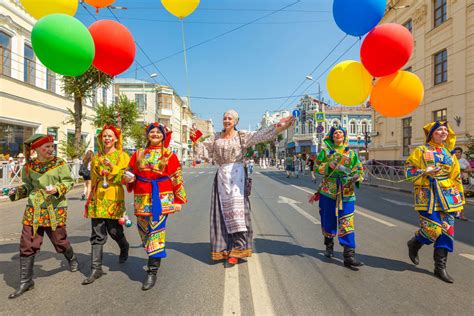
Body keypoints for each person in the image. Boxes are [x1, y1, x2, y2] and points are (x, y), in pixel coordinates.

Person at [190, 109, 294, 265]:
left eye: (230, 118)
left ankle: (238, 249)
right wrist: (195, 140)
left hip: (237, 176)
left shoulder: (242, 136)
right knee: (222, 212)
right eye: (224, 118)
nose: (226, 120)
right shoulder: (216, 137)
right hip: (221, 177)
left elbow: (262, 134)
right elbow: (204, 151)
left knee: (238, 214)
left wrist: (282, 126)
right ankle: (224, 248)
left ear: (236, 121)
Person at [8, 134, 78, 299]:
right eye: (46, 147)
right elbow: (27, 186)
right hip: (35, 207)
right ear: (37, 149)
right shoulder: (29, 166)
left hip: (55, 208)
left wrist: (57, 188)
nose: (50, 149)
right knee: (27, 242)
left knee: (59, 240)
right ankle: (26, 282)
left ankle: (72, 257)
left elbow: (69, 182)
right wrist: (15, 191)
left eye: (51, 146)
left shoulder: (59, 163)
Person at [124, 122, 187, 290]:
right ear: (148, 135)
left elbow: (176, 178)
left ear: (163, 136)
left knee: (156, 233)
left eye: (158, 133)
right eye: (152, 132)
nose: (155, 135)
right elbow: (129, 172)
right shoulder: (138, 154)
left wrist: (179, 201)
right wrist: (128, 178)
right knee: (144, 231)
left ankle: (152, 271)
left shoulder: (169, 155)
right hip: (141, 199)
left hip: (162, 199)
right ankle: (153, 253)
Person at [405, 121, 465, 283]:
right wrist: (424, 171)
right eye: (439, 129)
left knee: (447, 231)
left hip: (448, 196)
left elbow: (456, 177)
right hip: (427, 195)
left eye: (445, 130)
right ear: (431, 133)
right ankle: (415, 243)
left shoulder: (449, 153)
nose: (443, 132)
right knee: (432, 229)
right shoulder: (421, 150)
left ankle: (440, 268)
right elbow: (408, 172)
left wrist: (460, 201)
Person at [82, 125, 131, 285]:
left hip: (114, 197)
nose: (107, 138)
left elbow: (125, 178)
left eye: (110, 136)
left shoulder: (123, 156)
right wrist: (89, 195)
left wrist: (112, 168)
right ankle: (96, 269)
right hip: (98, 199)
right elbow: (93, 179)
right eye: (104, 136)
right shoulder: (96, 157)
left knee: (114, 230)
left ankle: (124, 247)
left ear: (116, 138)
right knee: (97, 234)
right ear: (101, 139)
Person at [310, 126, 364, 268]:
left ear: (344, 136)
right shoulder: (326, 152)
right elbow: (316, 167)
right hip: (329, 188)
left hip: (346, 189)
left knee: (347, 220)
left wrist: (357, 177)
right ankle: (329, 244)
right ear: (331, 136)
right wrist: (329, 165)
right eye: (335, 133)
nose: (338, 134)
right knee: (328, 217)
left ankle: (349, 255)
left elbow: (359, 169)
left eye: (340, 132)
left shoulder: (352, 154)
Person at [454, 147, 471, 221]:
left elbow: (470, 169)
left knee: (461, 198)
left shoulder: (463, 160)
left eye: (458, 152)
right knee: (453, 197)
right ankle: (455, 213)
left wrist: (462, 169)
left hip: (462, 181)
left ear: (461, 153)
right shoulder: (451, 160)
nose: (457, 153)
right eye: (456, 152)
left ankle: (462, 215)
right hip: (452, 182)